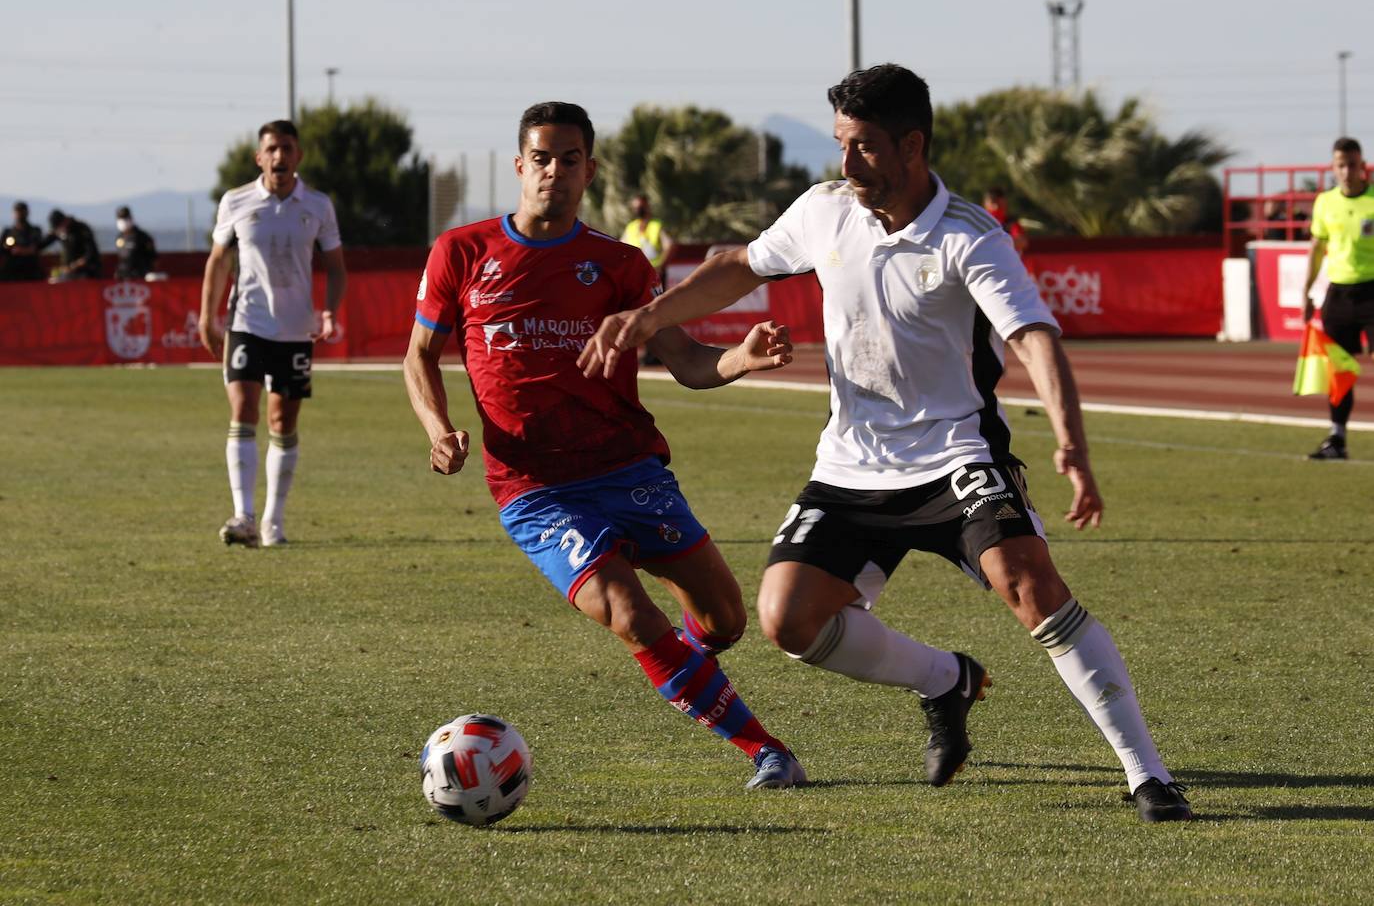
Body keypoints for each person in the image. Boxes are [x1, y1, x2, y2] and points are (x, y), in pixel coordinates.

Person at [578, 65, 1191, 822]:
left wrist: (1072, 444)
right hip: (851, 465)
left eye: (863, 147)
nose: (845, 164)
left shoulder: (970, 234)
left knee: (1029, 584)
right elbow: (738, 266)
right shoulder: (826, 209)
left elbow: (1032, 337)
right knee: (787, 620)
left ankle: (1148, 774)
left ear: (912, 146)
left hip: (957, 457)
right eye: (840, 143)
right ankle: (944, 679)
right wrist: (646, 318)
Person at [403, 101, 806, 790]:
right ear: (518, 165)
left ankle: (679, 661)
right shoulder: (462, 252)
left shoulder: (618, 265)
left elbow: (686, 361)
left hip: (629, 468)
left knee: (727, 619)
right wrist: (440, 430)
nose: (552, 171)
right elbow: (419, 356)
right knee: (626, 610)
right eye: (540, 158)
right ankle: (767, 750)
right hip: (534, 488)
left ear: (588, 169)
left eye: (568, 159)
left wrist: (740, 356)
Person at [198, 119, 347, 547]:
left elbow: (336, 269)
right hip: (246, 322)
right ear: (259, 157)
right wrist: (208, 317)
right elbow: (218, 262)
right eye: (272, 149)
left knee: (283, 420)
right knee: (243, 411)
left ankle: (272, 522)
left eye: (287, 148)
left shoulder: (318, 205)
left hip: (295, 328)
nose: (279, 156)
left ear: (298, 155)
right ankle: (242, 516)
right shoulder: (236, 201)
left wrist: (330, 312)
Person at [1301, 136, 1374, 460]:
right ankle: (1337, 439)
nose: (1346, 172)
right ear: (1333, 169)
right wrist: (1306, 293)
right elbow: (1317, 249)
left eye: (1352, 165)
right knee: (1339, 372)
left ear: (1362, 167)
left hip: (1373, 291)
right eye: (1340, 166)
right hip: (1338, 295)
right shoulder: (1325, 202)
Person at [621, 194, 674, 365]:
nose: (638, 210)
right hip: (635, 276)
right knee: (637, 314)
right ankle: (644, 351)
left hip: (655, 276)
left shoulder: (656, 226)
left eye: (641, 206)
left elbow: (670, 245)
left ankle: (656, 353)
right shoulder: (631, 228)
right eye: (635, 206)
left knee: (655, 312)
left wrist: (661, 265)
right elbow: (621, 246)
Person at [45, 209, 103, 280]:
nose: (58, 230)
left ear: (65, 221)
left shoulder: (81, 229)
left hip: (85, 273)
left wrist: (74, 266)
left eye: (59, 227)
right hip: (68, 273)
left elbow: (91, 253)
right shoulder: (59, 231)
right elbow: (44, 243)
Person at [1, 201, 47, 281]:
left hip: (31, 270)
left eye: (22, 212)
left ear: (27, 213)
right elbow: (3, 248)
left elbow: (36, 247)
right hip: (12, 270)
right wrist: (7, 247)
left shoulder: (35, 231)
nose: (20, 215)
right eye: (18, 212)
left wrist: (22, 250)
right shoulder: (8, 232)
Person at [113, 205, 157, 280]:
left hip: (140, 276)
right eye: (120, 219)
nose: (122, 222)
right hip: (123, 275)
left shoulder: (142, 237)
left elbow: (153, 257)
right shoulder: (119, 238)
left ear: (130, 219)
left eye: (125, 219)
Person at [982, 186, 1027, 256]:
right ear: (985, 203)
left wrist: (996, 243)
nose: (996, 206)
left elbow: (1022, 242)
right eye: (993, 202)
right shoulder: (981, 221)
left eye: (998, 202)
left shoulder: (1011, 223)